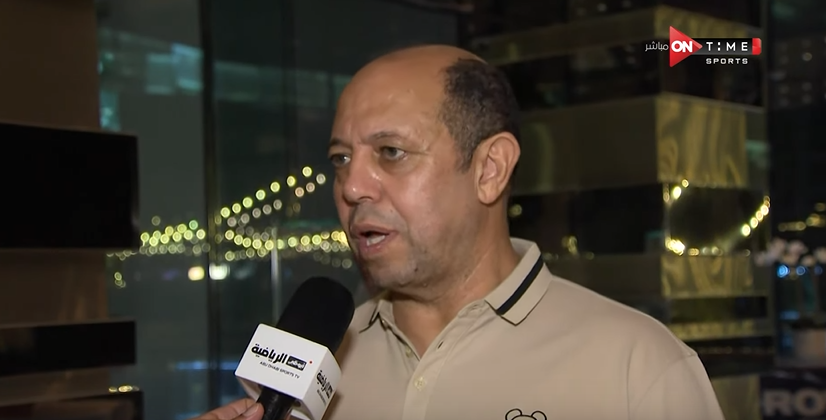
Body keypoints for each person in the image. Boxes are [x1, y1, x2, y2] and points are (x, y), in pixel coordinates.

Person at [198, 44, 725, 420]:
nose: (351, 186)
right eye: (341, 159)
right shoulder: (318, 367)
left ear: (490, 169)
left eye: (391, 152)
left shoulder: (636, 368)